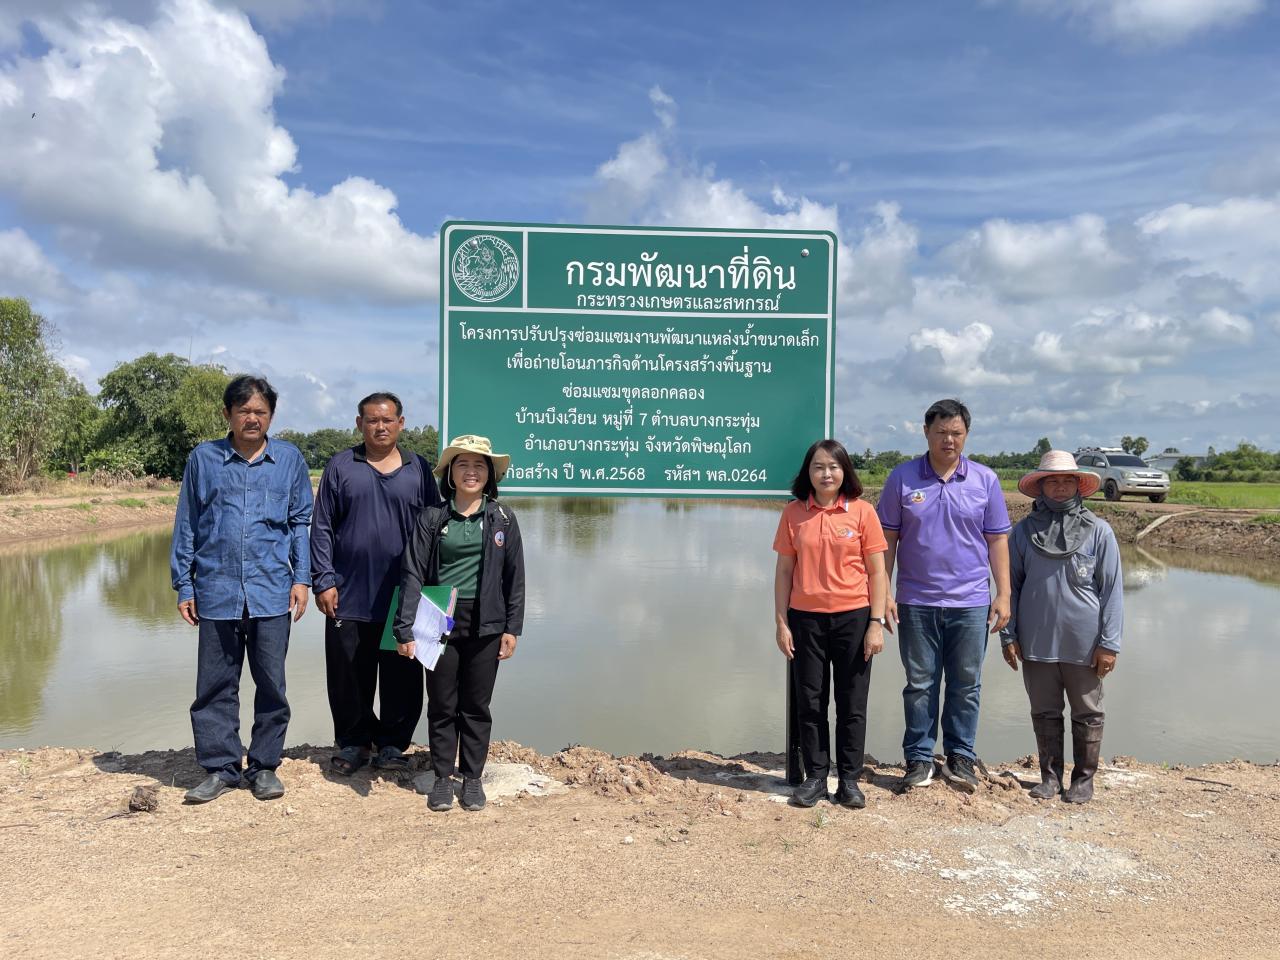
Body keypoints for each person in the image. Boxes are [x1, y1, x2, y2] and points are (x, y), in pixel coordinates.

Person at [170, 375, 313, 803]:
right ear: (227, 414)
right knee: (215, 686)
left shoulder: (289, 460)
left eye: (260, 412)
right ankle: (221, 767)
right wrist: (184, 584)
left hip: (272, 589)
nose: (253, 418)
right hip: (216, 589)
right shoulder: (204, 458)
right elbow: (187, 524)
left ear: (271, 416)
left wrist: (301, 578)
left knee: (271, 684)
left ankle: (264, 766)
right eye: (244, 411)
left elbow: (299, 524)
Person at [877, 399, 1012, 793]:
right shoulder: (902, 478)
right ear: (926, 432)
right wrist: (883, 592)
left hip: (971, 602)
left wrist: (1004, 593)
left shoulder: (985, 480)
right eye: (941, 432)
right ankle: (919, 758)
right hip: (916, 600)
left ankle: (960, 756)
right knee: (920, 683)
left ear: (966, 434)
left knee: (966, 684)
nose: (948, 440)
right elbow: (887, 540)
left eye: (956, 433)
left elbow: (997, 541)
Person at [311, 392, 441, 776]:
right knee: (349, 674)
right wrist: (323, 579)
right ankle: (354, 743)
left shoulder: (418, 469)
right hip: (348, 591)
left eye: (387, 420)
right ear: (359, 424)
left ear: (401, 423)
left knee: (402, 674)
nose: (380, 427)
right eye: (372, 420)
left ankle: (392, 745)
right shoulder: (341, 466)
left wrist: (435, 589)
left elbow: (435, 527)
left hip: (404, 595)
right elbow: (322, 527)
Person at [394, 435, 525, 812]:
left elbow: (515, 578)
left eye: (479, 465)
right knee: (442, 702)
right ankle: (441, 777)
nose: (471, 471)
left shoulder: (502, 519)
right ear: (450, 473)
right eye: (463, 464)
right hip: (440, 620)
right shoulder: (432, 518)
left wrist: (512, 628)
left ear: (489, 475)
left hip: (487, 621)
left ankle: (472, 778)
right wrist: (404, 628)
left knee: (476, 704)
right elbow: (413, 573)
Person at [1001, 450, 1122, 804]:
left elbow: (1112, 591)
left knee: (1088, 712)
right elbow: (1010, 588)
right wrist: (1008, 635)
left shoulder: (1099, 532)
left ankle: (1083, 780)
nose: (1059, 487)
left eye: (1067, 480)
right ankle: (1049, 778)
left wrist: (1109, 644)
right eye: (1051, 481)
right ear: (1040, 487)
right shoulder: (1022, 533)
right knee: (1044, 711)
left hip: (1085, 644)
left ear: (1078, 485)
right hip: (1036, 641)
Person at [773, 439, 889, 809]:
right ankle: (816, 778)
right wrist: (781, 622)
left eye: (833, 467)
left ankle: (850, 780)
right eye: (818, 467)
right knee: (810, 702)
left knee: (852, 703)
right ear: (808, 473)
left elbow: (878, 572)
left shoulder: (862, 512)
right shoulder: (794, 513)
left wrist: (876, 622)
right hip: (805, 619)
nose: (826, 474)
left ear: (845, 472)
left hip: (854, 617)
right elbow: (784, 571)